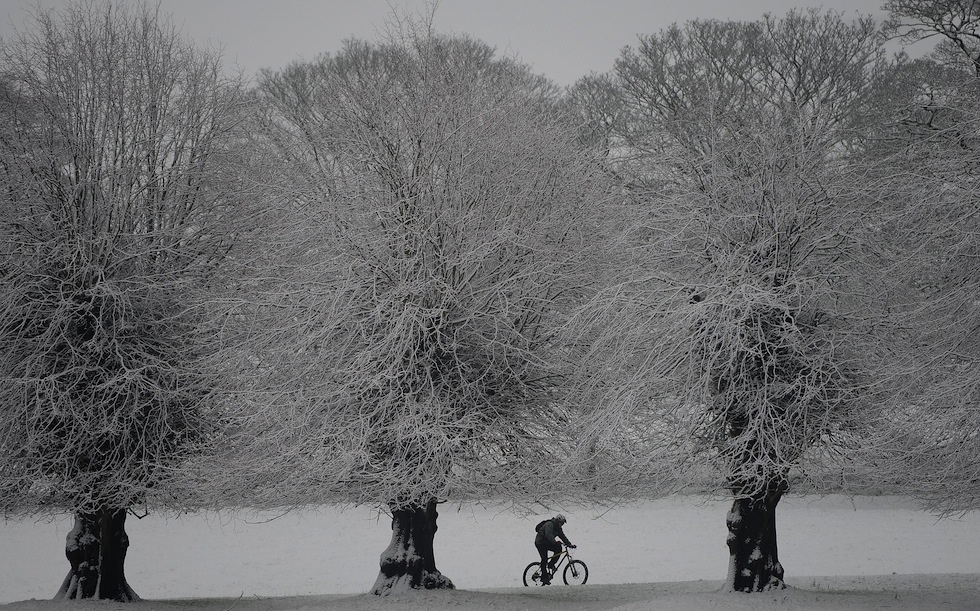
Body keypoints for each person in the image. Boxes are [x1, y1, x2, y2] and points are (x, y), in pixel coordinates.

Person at [534, 514, 575, 585]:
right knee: (544, 558)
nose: (562, 525)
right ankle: (544, 578)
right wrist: (555, 542)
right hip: (540, 542)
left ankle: (550, 564)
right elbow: (548, 535)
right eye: (561, 523)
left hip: (546, 542)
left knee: (559, 548)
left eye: (563, 523)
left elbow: (563, 537)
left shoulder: (558, 528)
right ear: (557, 520)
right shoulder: (550, 524)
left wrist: (569, 544)